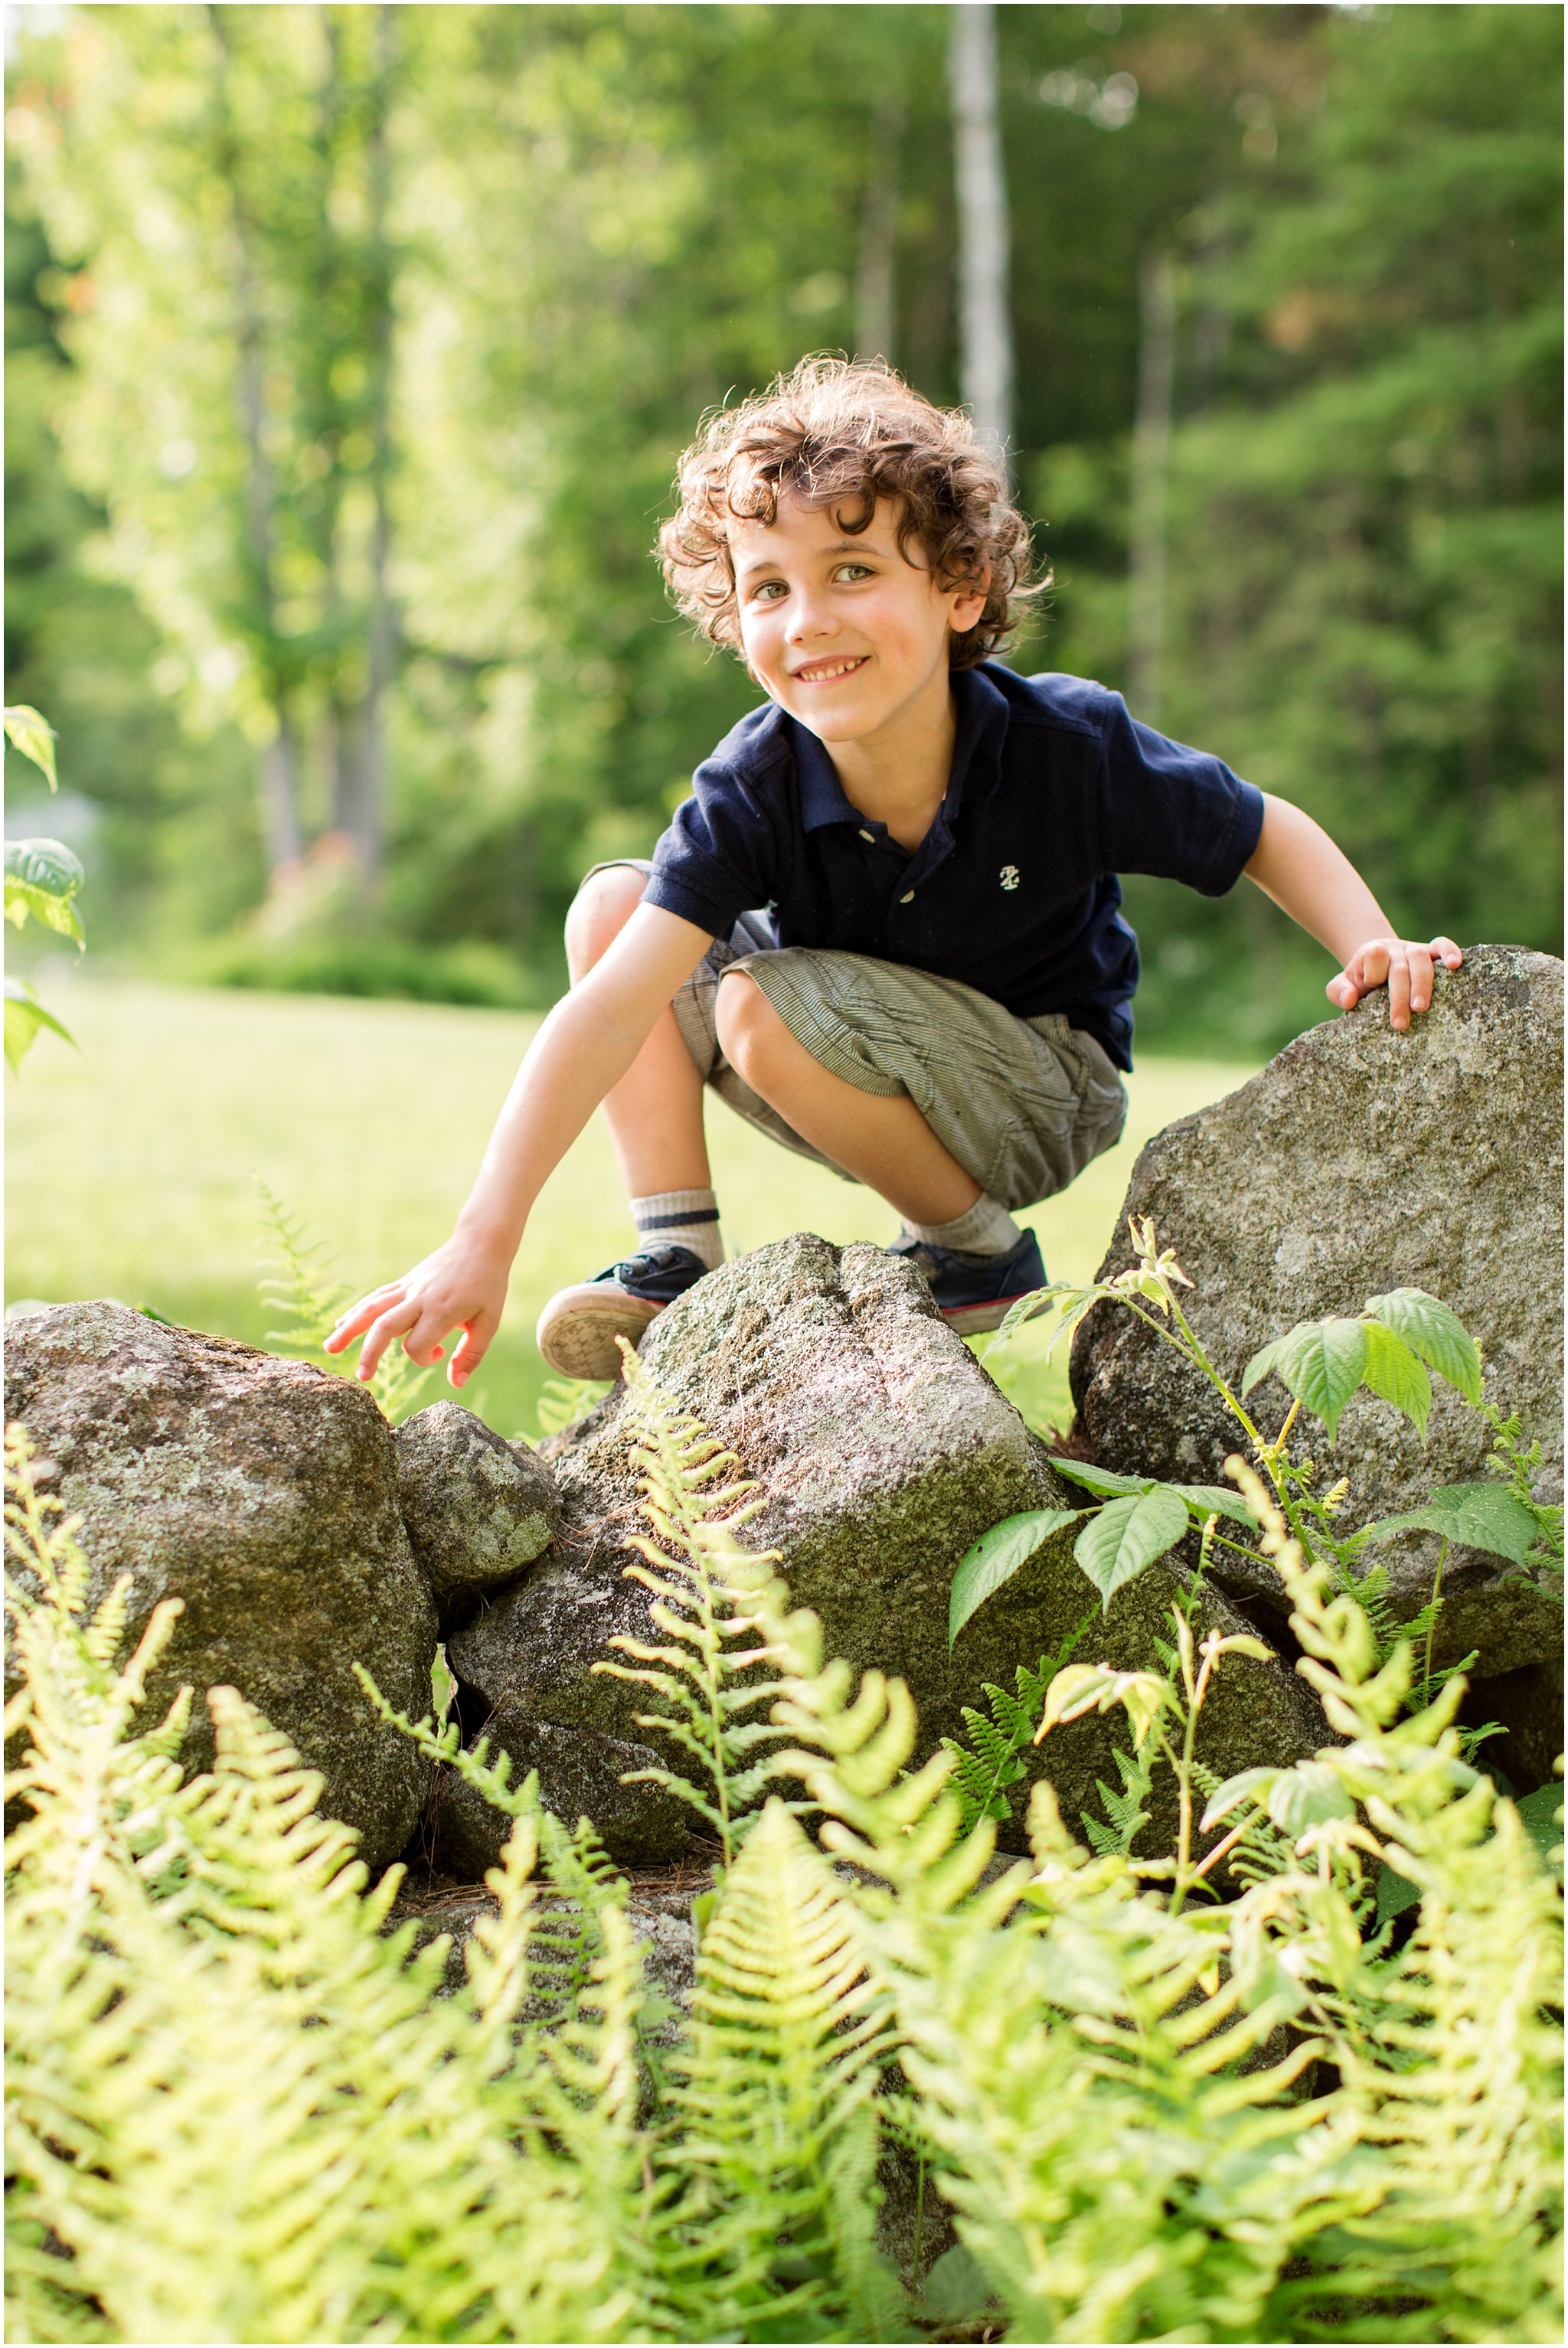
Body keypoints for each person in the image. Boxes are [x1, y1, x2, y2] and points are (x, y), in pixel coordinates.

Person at [326, 357, 1462, 1391]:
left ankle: (982, 1261)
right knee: (615, 908)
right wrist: (486, 1235)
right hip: (854, 1055)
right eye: (770, 588)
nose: (809, 620)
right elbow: (612, 1008)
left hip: (1042, 1088)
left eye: (854, 570)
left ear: (960, 589)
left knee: (758, 1005)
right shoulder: (756, 782)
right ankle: (678, 1255)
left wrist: (1372, 943)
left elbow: (1260, 828)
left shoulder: (1064, 745)